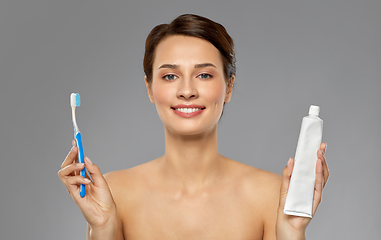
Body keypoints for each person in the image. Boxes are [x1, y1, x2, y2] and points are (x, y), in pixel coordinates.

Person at [58, 14, 329, 240]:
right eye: (170, 76)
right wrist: (103, 227)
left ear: (229, 87)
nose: (187, 91)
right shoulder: (114, 193)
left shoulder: (270, 196)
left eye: (204, 75)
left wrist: (292, 232)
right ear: (149, 88)